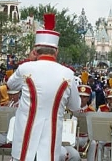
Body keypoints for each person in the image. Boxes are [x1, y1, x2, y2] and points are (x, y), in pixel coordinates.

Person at [7, 13, 81, 161]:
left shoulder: (25, 68)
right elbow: (75, 106)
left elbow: (10, 84)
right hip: (51, 139)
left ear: (35, 51)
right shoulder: (68, 74)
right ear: (56, 51)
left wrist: (29, 60)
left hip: (24, 139)